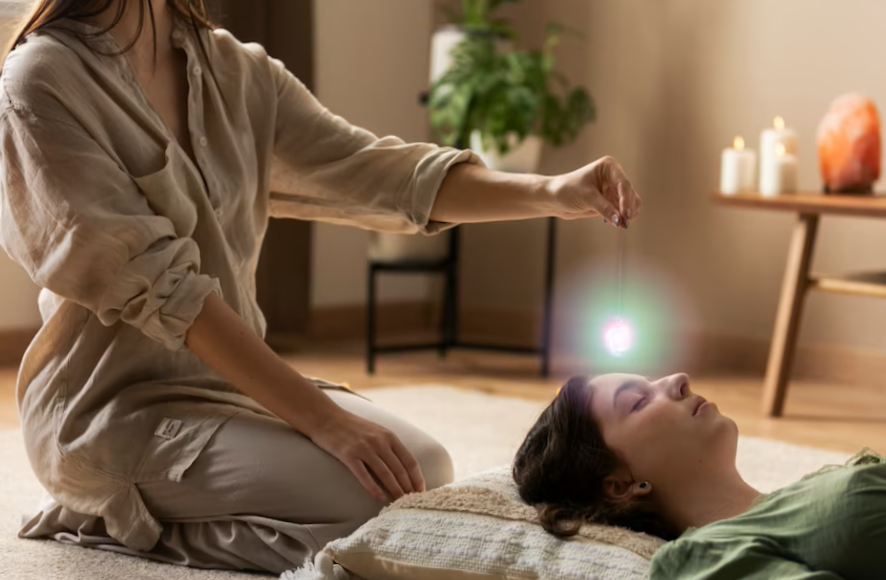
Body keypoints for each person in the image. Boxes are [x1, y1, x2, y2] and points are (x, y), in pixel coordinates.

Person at [0, 0, 643, 574]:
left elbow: (375, 171)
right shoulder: (42, 80)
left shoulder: (233, 69)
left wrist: (554, 192)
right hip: (111, 412)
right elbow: (170, 292)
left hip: (230, 388)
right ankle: (108, 519)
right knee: (362, 504)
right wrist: (326, 422)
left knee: (422, 470)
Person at [513, 373, 886, 579]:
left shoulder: (796, 497)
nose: (679, 378)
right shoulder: (700, 557)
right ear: (621, 485)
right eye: (638, 401)